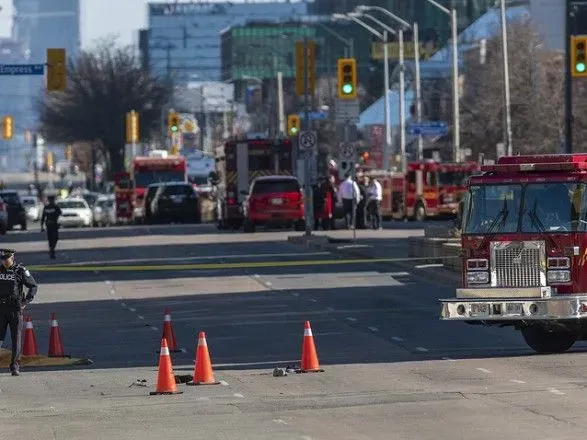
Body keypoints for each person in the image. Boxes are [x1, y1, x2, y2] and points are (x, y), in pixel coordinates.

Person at [0, 249, 38, 376]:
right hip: (0, 307)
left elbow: (33, 285)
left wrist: (25, 301)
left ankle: (14, 366)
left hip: (14, 308)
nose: (4, 261)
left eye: (6, 258)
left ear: (12, 257)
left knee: (16, 338)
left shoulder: (20, 270)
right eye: (2, 259)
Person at [40, 193, 62, 259]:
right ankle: (52, 250)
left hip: (53, 225)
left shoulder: (55, 207)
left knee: (54, 238)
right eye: (51, 200)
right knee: (51, 239)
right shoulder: (48, 207)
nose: (51, 201)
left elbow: (60, 213)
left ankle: (52, 249)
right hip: (50, 225)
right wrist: (42, 226)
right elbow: (43, 217)